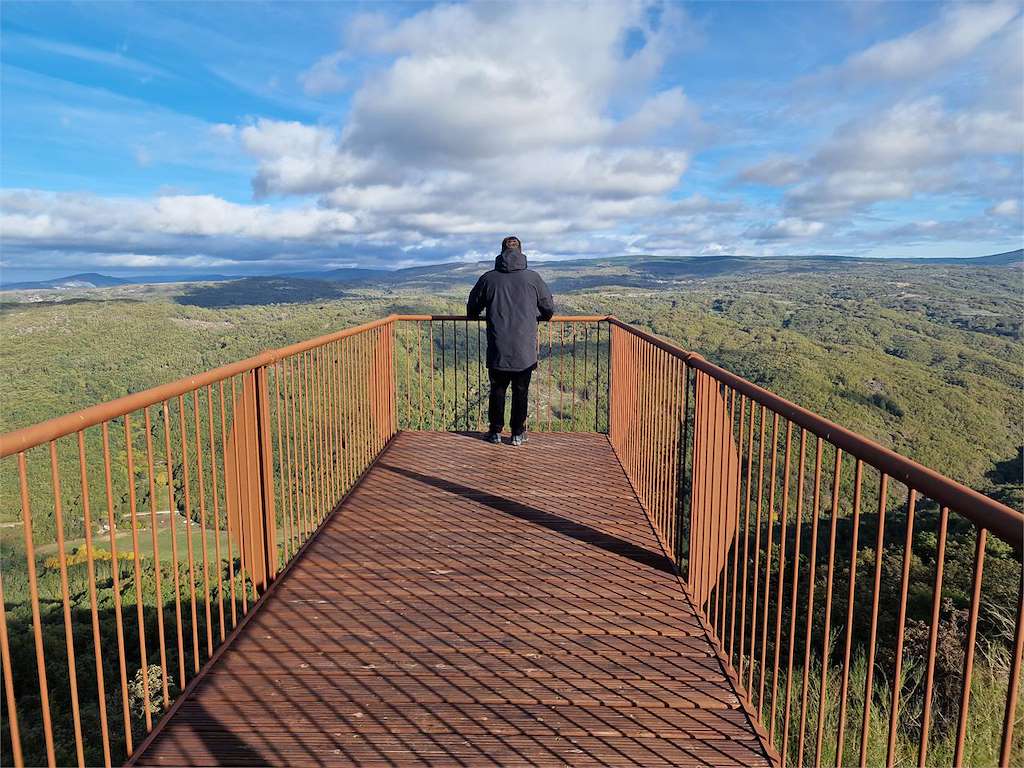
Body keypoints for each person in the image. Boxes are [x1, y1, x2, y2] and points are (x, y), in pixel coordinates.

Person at [467, 236, 555, 446]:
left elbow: (472, 310)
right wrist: (537, 318)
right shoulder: (533, 278)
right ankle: (517, 433)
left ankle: (495, 431)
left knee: (497, 389)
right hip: (524, 349)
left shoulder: (488, 279)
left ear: (502, 252)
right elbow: (548, 309)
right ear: (521, 252)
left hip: (498, 347)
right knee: (521, 391)